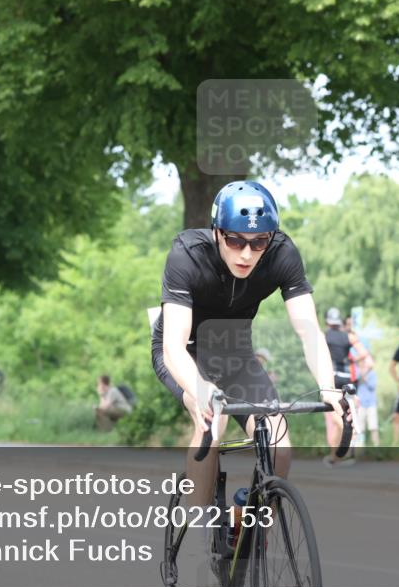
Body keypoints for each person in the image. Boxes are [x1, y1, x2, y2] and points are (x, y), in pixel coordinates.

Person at [150, 180, 346, 517]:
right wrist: (200, 390)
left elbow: (309, 331)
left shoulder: (282, 253)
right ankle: (200, 530)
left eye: (258, 243)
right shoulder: (187, 255)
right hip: (187, 354)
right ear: (217, 232)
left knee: (279, 446)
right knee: (212, 425)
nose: (246, 253)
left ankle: (252, 523)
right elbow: (173, 345)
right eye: (235, 240)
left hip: (237, 357)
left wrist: (329, 388)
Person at [321, 308, 370, 466]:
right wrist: (352, 361)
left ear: (328, 321)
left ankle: (345, 438)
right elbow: (364, 354)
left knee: (333, 418)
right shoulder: (348, 336)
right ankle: (336, 455)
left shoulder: (324, 336)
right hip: (347, 379)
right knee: (346, 413)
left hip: (331, 379)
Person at [345, 317, 379, 448]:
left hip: (370, 403)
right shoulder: (357, 372)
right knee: (361, 428)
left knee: (373, 427)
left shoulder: (371, 374)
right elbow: (356, 380)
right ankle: (360, 450)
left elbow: (372, 386)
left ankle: (377, 449)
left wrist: (366, 371)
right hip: (361, 403)